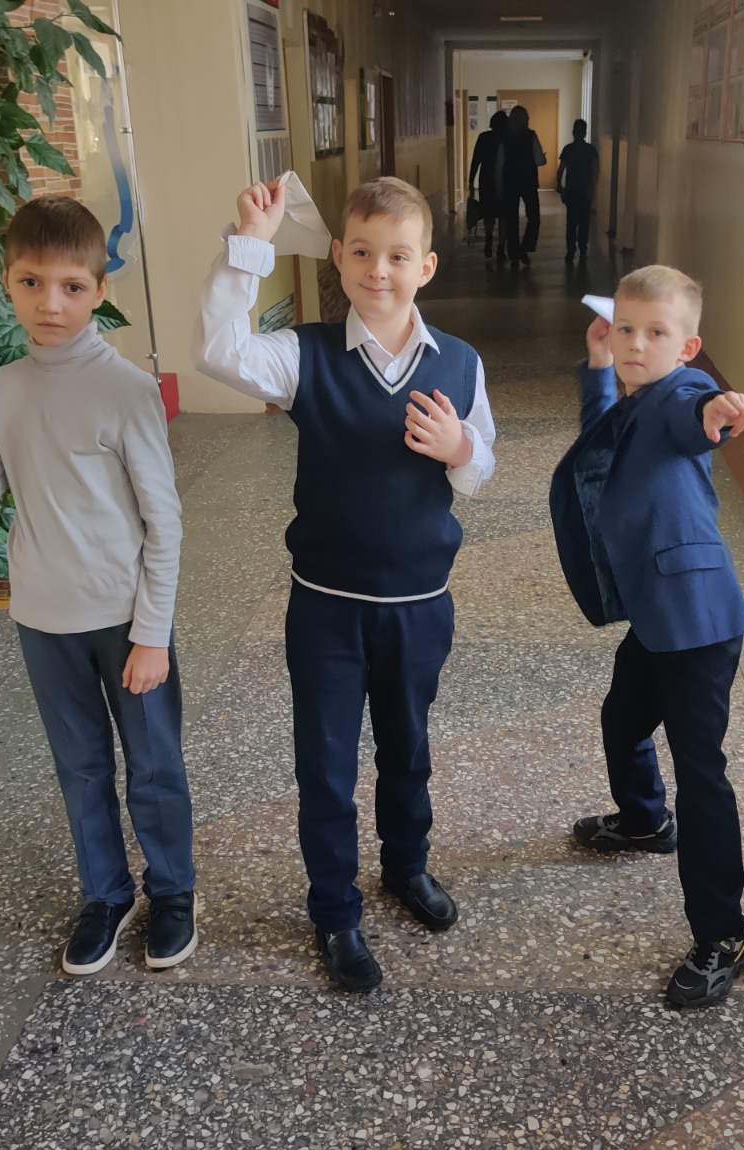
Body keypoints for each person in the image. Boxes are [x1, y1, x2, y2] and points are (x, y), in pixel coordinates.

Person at [196, 175, 497, 993]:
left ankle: (407, 867)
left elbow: (482, 468)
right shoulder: (308, 355)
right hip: (326, 607)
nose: (378, 270)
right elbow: (219, 351)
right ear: (338, 256)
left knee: (408, 750)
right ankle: (334, 910)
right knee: (326, 766)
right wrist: (251, 245)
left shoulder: (460, 362)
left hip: (419, 607)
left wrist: (459, 451)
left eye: (398, 256)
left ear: (425, 266)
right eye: (362, 252)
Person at [0, 197, 197, 977]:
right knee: (81, 767)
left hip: (126, 621)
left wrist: (152, 634)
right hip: (43, 619)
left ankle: (172, 892)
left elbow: (164, 523)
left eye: (71, 286)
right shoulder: (4, 388)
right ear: (7, 282)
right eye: (31, 283)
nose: (50, 303)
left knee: (153, 767)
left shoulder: (126, 390)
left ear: (99, 290)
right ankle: (106, 894)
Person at [550, 265, 744, 1009]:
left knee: (702, 775)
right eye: (626, 328)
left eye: (656, 333)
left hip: (699, 625)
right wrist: (598, 367)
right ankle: (644, 820)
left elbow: (697, 416)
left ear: (688, 347)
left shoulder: (679, 393)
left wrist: (719, 410)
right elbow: (602, 441)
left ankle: (724, 936)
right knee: (623, 719)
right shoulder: (637, 393)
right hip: (657, 617)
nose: (637, 344)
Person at [501, 106, 545, 267]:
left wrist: (499, 184)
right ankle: (525, 248)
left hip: (510, 182)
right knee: (534, 217)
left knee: (511, 219)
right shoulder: (531, 136)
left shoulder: (506, 138)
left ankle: (513, 253)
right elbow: (540, 160)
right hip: (528, 182)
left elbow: (500, 163)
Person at [467, 109, 510, 263]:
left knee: (489, 214)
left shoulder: (484, 138)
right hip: (506, 183)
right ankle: (501, 247)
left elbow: (476, 161)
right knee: (504, 216)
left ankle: (489, 239)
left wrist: (471, 181)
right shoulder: (509, 139)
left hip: (486, 182)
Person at [556, 119, 599, 265]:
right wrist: (592, 189)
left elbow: (561, 169)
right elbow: (594, 171)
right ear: (585, 133)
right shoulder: (591, 150)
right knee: (584, 222)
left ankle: (571, 250)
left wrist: (559, 186)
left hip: (572, 190)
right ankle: (583, 249)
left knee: (571, 222)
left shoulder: (568, 149)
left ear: (573, 132)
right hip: (584, 190)